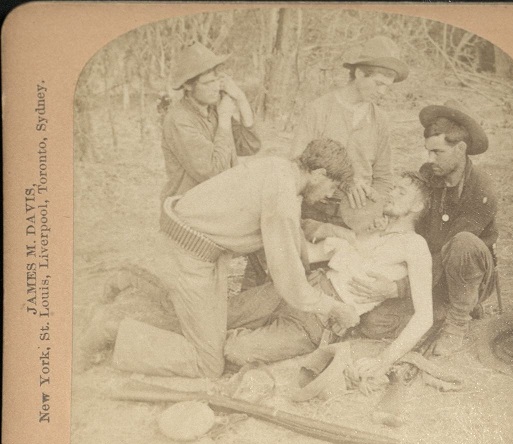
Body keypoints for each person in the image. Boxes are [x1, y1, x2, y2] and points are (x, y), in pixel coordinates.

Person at [111, 139, 360, 378]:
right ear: (318, 174)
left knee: (210, 329)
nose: (329, 195)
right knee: (208, 363)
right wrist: (333, 307)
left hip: (200, 248)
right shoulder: (283, 196)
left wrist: (324, 233)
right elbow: (288, 281)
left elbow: (288, 230)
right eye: (332, 187)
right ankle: (113, 329)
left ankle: (131, 287)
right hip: (187, 253)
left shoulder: (280, 169)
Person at [221, 172, 433, 375]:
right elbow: (308, 253)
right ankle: (227, 334)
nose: (392, 193)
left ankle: (230, 338)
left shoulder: (414, 245)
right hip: (297, 288)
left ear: (418, 205)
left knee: (235, 350)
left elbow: (425, 317)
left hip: (317, 320)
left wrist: (384, 360)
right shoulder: (368, 227)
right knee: (216, 316)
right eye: (393, 188)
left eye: (401, 192)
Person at [357, 101, 499, 357]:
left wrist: (400, 288)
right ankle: (441, 310)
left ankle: (457, 320)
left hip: (466, 274)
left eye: (438, 152)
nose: (430, 159)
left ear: (461, 149)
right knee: (372, 324)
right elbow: (408, 207)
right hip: (426, 275)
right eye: (428, 152)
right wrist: (385, 220)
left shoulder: (481, 188)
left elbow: (451, 249)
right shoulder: (429, 175)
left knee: (462, 243)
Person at [290, 35, 408, 233]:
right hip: (313, 210)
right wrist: (346, 182)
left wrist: (373, 211)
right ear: (360, 73)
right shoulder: (319, 110)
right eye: (379, 83)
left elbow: (383, 177)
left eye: (387, 86)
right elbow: (296, 165)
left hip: (358, 215)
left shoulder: (380, 120)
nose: (383, 92)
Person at [160, 42, 258, 202]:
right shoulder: (179, 119)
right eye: (207, 83)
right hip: (189, 207)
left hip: (219, 201)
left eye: (216, 81)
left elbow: (250, 146)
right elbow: (214, 172)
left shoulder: (213, 110)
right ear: (188, 85)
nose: (215, 88)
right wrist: (225, 119)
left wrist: (241, 98)